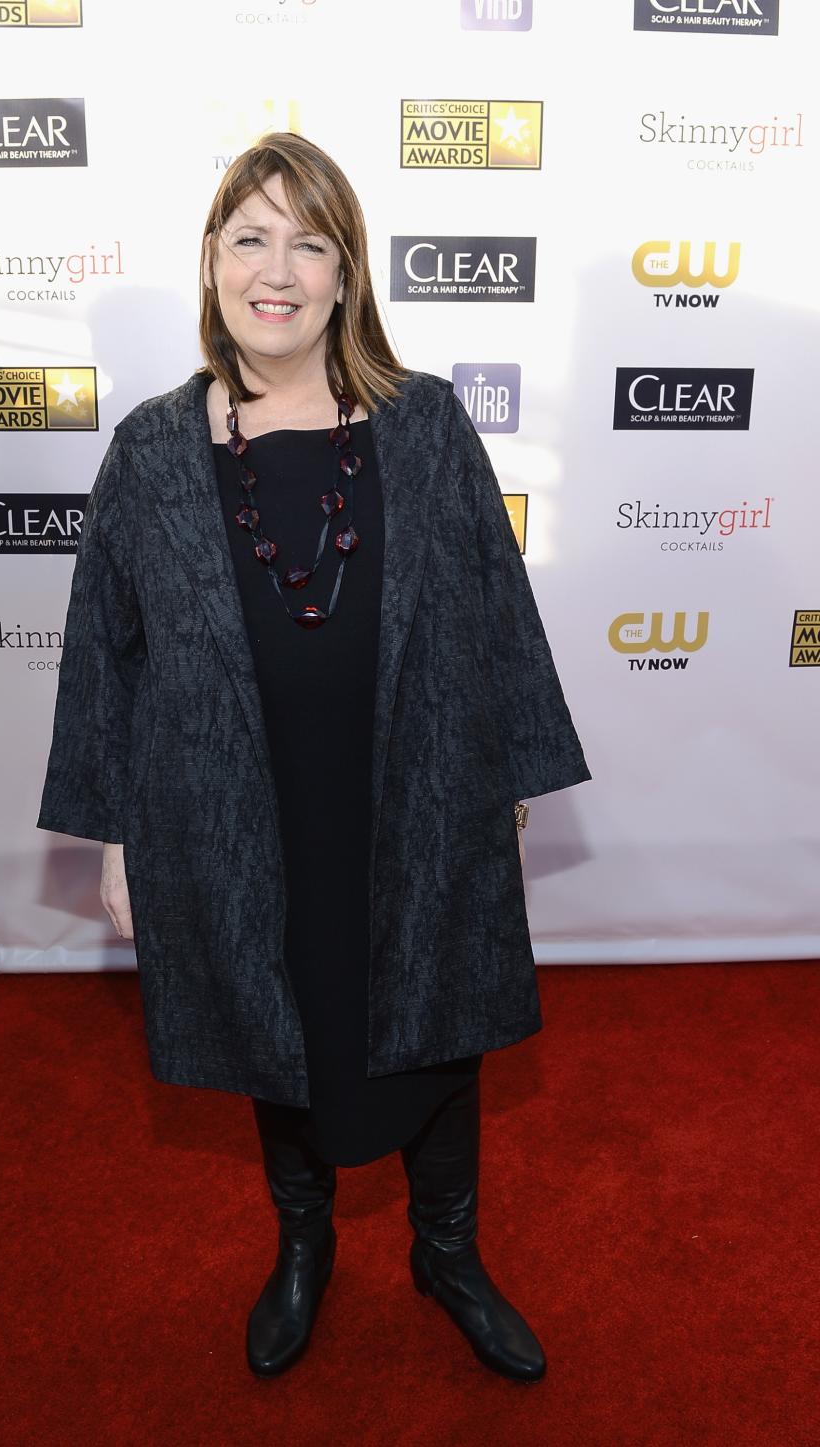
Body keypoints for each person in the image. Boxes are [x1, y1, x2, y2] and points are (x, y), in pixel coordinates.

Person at [37, 132, 592, 1381]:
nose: (275, 268)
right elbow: (105, 658)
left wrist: (497, 782)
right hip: (236, 800)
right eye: (250, 236)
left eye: (309, 240)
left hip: (414, 786)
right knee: (271, 1017)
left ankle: (447, 1250)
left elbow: (496, 607)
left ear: (346, 275)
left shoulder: (427, 425)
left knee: (438, 1021)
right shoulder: (149, 451)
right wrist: (123, 836)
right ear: (213, 264)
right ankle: (304, 1246)